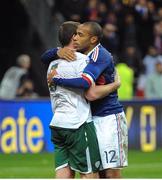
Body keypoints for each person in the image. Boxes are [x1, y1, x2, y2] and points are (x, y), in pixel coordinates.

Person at [42, 21, 128, 178]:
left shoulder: (99, 55)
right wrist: (58, 51)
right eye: (75, 34)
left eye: (80, 35)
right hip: (88, 118)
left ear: (93, 39)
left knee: (110, 172)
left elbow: (90, 92)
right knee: (97, 169)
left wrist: (57, 79)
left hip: (107, 116)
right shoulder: (81, 57)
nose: (76, 38)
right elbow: (44, 56)